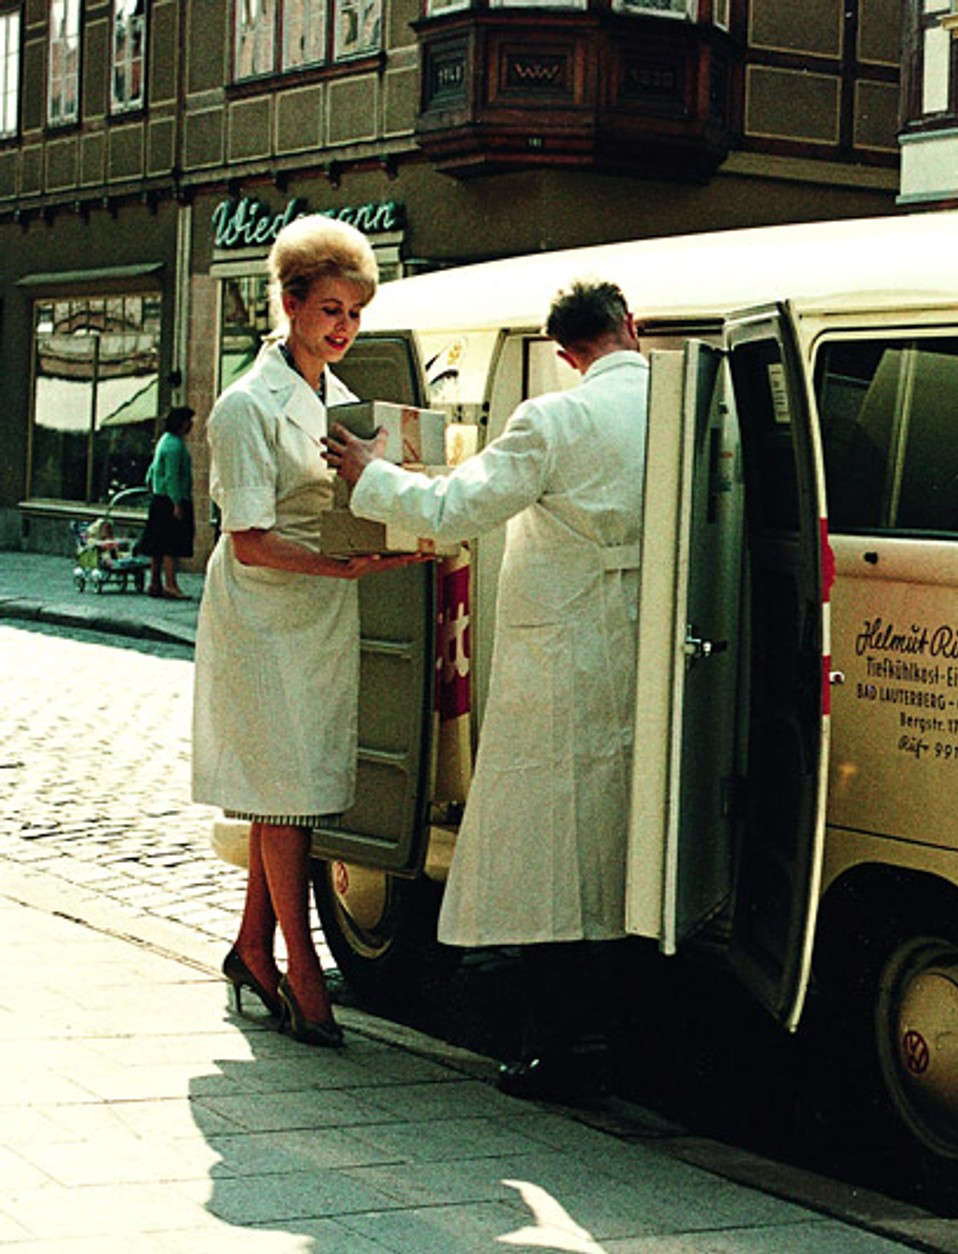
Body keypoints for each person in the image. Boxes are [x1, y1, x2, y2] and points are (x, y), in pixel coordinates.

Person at [324, 278, 648, 1103]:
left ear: (567, 353)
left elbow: (456, 506)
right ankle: (625, 1031)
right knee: (627, 838)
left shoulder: (555, 418)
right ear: (630, 327)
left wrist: (369, 473)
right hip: (646, 648)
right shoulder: (682, 404)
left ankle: (564, 1048)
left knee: (547, 850)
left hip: (563, 653)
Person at [193, 215, 426, 1048]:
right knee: (285, 794)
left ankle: (254, 947)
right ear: (288, 303)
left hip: (320, 605)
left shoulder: (333, 397)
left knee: (287, 790)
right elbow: (249, 540)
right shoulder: (244, 406)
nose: (344, 328)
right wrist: (344, 570)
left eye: (355, 314)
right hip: (265, 609)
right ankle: (300, 968)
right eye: (331, 310)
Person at [135, 406, 196, 599]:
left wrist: (153, 487)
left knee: (158, 545)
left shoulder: (164, 441)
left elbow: (152, 471)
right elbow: (172, 476)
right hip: (171, 500)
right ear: (182, 423)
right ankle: (171, 585)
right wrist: (177, 503)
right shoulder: (175, 446)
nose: (191, 425)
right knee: (171, 544)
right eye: (189, 420)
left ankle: (154, 583)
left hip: (160, 499)